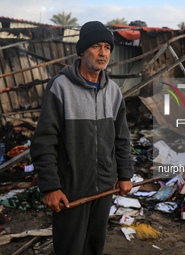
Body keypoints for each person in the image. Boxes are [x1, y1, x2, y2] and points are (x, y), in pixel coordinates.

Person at [30, 21, 134, 255]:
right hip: (72, 188)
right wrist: (50, 187)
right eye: (96, 46)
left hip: (105, 186)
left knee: (94, 245)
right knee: (70, 248)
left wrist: (125, 174)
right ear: (82, 51)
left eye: (107, 47)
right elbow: (44, 140)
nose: (103, 53)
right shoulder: (61, 87)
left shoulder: (114, 91)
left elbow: (122, 138)